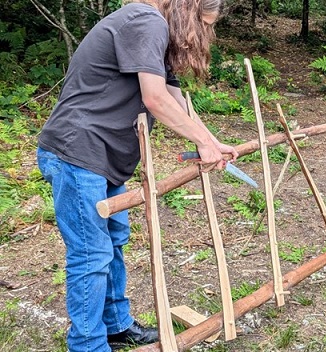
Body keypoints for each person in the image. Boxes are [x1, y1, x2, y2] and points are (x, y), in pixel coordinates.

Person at [36, 0, 238, 351]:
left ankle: (115, 326)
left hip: (103, 156)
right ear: (186, 8)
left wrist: (211, 142)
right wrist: (203, 142)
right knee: (90, 254)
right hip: (78, 152)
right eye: (200, 23)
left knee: (112, 242)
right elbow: (155, 99)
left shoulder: (152, 29)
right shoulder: (145, 20)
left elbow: (172, 95)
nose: (200, 35)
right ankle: (87, 345)